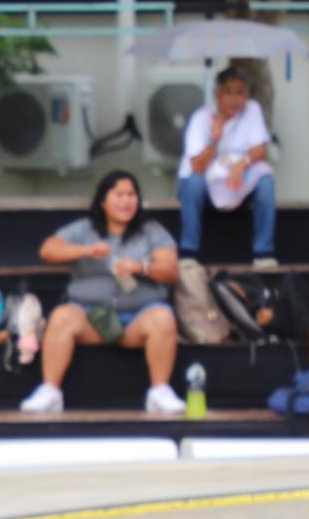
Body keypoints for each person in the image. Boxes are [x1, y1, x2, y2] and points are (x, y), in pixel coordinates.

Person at [19, 170, 185, 415]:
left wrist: (140, 267)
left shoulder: (151, 230)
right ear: (103, 201)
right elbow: (48, 250)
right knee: (62, 316)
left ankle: (159, 392)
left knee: (163, 317)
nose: (126, 201)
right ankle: (50, 391)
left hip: (138, 319)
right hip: (92, 318)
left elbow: (170, 270)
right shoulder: (85, 229)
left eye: (131, 195)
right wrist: (86, 251)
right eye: (119, 194)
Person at [176, 67, 276, 268]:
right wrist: (215, 138)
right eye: (228, 92)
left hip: (239, 179)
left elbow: (260, 149)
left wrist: (242, 163)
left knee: (265, 183)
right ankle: (188, 251)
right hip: (206, 179)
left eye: (240, 92)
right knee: (193, 183)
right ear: (217, 95)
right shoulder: (201, 117)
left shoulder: (252, 109)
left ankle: (263, 252)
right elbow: (196, 166)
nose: (234, 99)